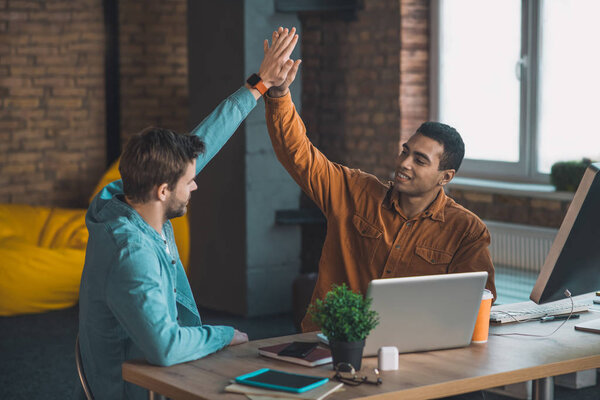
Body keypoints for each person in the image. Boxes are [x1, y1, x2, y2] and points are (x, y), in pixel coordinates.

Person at [77, 28, 299, 399]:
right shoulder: (131, 254)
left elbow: (203, 142)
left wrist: (259, 86)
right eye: (189, 182)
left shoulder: (130, 196)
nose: (196, 185)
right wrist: (225, 333)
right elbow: (164, 348)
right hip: (143, 388)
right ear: (163, 190)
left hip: (172, 371)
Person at [262, 29, 496, 332]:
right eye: (405, 151)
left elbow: (478, 306)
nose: (404, 163)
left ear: (446, 177)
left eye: (420, 160)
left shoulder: (467, 231)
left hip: (410, 351)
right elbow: (298, 155)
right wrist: (278, 92)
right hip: (328, 342)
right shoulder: (355, 191)